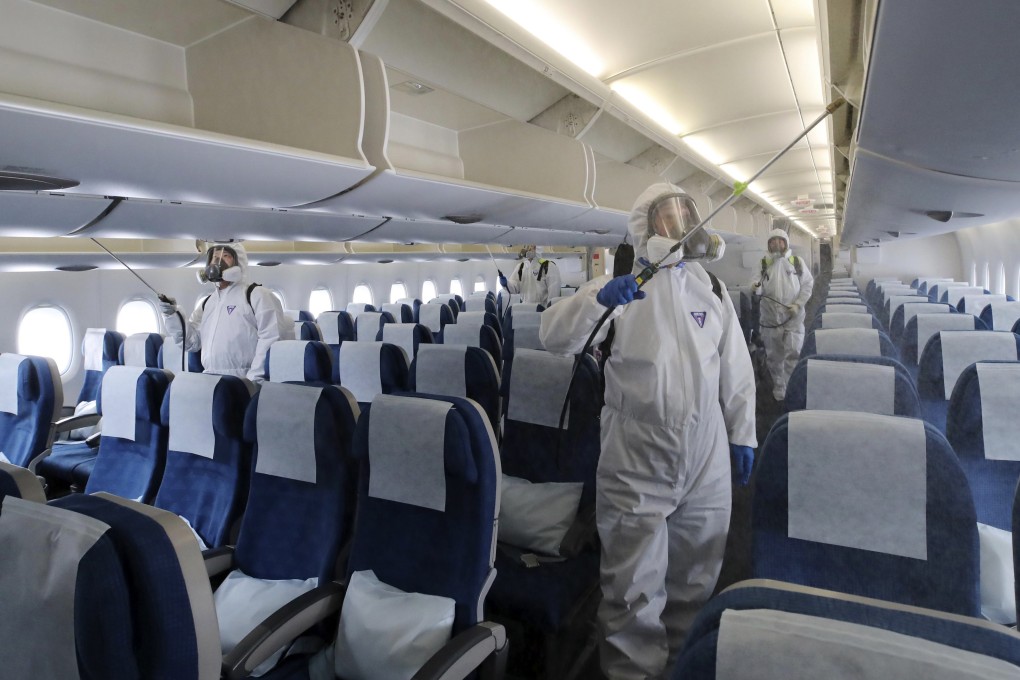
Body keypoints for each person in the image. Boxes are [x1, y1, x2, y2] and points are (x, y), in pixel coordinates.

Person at [540, 183, 756, 680]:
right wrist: (599, 302)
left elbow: (735, 370)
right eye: (667, 215)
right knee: (632, 592)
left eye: (686, 212)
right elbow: (554, 336)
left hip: (706, 454)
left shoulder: (712, 287)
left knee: (695, 582)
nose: (679, 223)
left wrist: (743, 433)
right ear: (643, 225)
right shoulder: (619, 284)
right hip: (636, 454)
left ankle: (681, 667)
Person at [159, 242, 293, 383]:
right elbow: (191, 343)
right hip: (210, 379)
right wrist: (172, 315)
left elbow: (271, 339)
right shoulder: (207, 302)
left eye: (226, 256)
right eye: (214, 257)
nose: (218, 261)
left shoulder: (256, 295)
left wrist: (254, 381)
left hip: (244, 379)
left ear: (238, 262)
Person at [751, 228, 814, 401]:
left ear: (785, 243)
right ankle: (779, 387)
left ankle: (791, 387)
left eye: (780, 241)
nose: (776, 244)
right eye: (773, 241)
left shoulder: (796, 262)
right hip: (770, 320)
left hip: (793, 318)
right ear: (769, 245)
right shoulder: (764, 263)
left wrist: (798, 304)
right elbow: (756, 284)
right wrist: (756, 288)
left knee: (793, 353)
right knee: (774, 357)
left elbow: (808, 285)